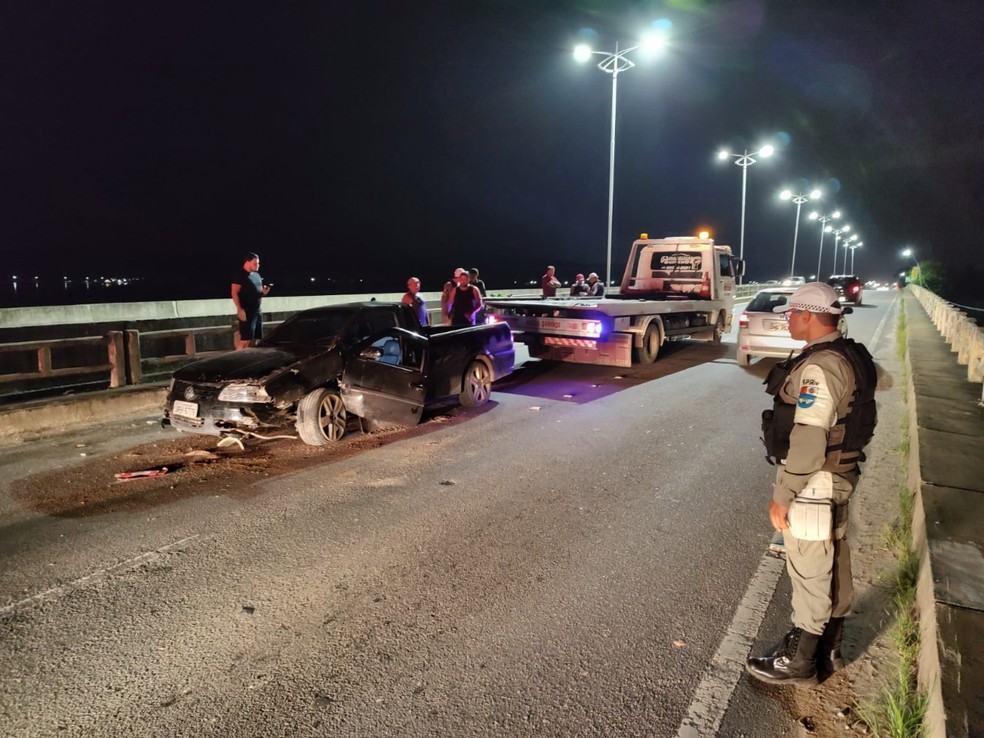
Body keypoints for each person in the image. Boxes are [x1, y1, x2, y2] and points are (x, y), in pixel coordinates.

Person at [745, 282, 878, 687]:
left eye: (791, 314)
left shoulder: (821, 367)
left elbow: (809, 436)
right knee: (834, 558)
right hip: (839, 476)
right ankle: (829, 650)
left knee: (809, 569)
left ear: (807, 314)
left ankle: (799, 662)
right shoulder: (850, 354)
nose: (788, 319)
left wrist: (783, 494)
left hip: (815, 483)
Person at [231, 252, 270, 349]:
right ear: (247, 263)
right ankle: (237, 358)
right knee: (245, 339)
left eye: (258, 263)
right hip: (247, 311)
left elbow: (256, 292)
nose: (258, 265)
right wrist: (240, 309)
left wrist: (263, 293)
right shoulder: (240, 276)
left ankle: (251, 358)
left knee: (256, 339)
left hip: (257, 310)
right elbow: (234, 292)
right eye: (255, 263)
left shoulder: (256, 275)